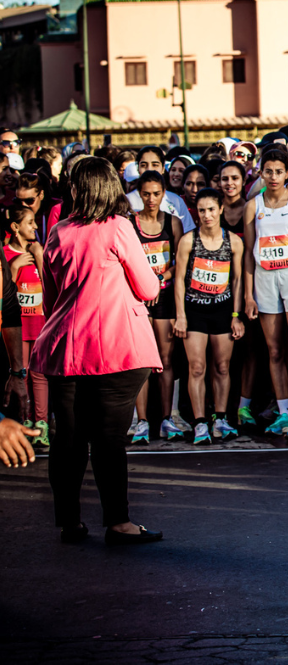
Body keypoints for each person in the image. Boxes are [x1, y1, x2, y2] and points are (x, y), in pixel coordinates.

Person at [35, 156, 165, 544]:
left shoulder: (58, 232)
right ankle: (118, 522)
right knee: (108, 440)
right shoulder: (119, 227)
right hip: (116, 348)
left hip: (66, 347)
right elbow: (148, 289)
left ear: (78, 189)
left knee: (68, 438)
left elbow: (51, 298)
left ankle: (70, 522)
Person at [243, 146, 288, 443]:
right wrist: (248, 295)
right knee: (274, 351)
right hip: (264, 280)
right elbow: (249, 254)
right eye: (268, 171)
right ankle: (284, 412)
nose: (273, 177)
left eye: (279, 171)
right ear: (260, 172)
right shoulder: (253, 206)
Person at [172, 188, 246, 444]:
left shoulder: (233, 241)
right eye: (202, 210)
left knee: (222, 367)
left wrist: (237, 315)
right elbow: (179, 280)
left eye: (211, 209)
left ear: (221, 209)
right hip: (194, 310)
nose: (207, 215)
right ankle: (200, 422)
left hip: (223, 310)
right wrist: (180, 314)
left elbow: (237, 280)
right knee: (197, 367)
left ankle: (221, 418)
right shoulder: (188, 241)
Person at [129, 171, 184, 443]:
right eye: (146, 194)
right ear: (140, 193)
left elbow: (180, 263)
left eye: (156, 193)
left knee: (165, 360)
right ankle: (141, 421)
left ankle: (166, 418)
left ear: (164, 194)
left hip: (164, 298)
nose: (151, 199)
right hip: (139, 299)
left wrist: (159, 279)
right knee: (141, 362)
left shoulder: (172, 223)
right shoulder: (130, 223)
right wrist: (144, 285)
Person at [4, 206, 48, 450]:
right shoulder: (5, 253)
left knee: (39, 375)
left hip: (39, 323)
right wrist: (14, 267)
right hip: (17, 326)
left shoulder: (37, 250)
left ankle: (41, 426)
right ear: (15, 227)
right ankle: (22, 422)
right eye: (30, 222)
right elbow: (5, 292)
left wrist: (39, 255)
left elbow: (48, 283)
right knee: (21, 373)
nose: (34, 227)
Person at [126, 146, 195, 232]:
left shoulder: (176, 201)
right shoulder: (126, 201)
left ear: (163, 168)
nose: (149, 169)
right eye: (144, 165)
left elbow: (188, 233)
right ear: (138, 168)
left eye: (155, 165)